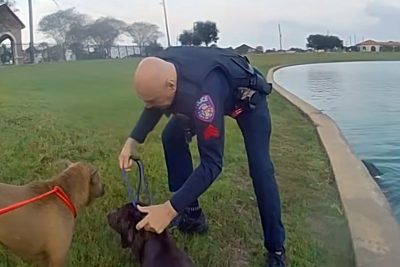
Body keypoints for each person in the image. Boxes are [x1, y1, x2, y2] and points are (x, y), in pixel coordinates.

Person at [118, 46, 286, 267]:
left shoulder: (205, 97)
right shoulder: (165, 65)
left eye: (152, 102)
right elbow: (154, 102)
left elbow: (212, 164)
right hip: (206, 94)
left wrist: (169, 209)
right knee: (172, 136)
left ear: (171, 85)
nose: (150, 108)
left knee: (261, 170)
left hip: (247, 102)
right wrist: (133, 140)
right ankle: (192, 215)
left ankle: (276, 250)